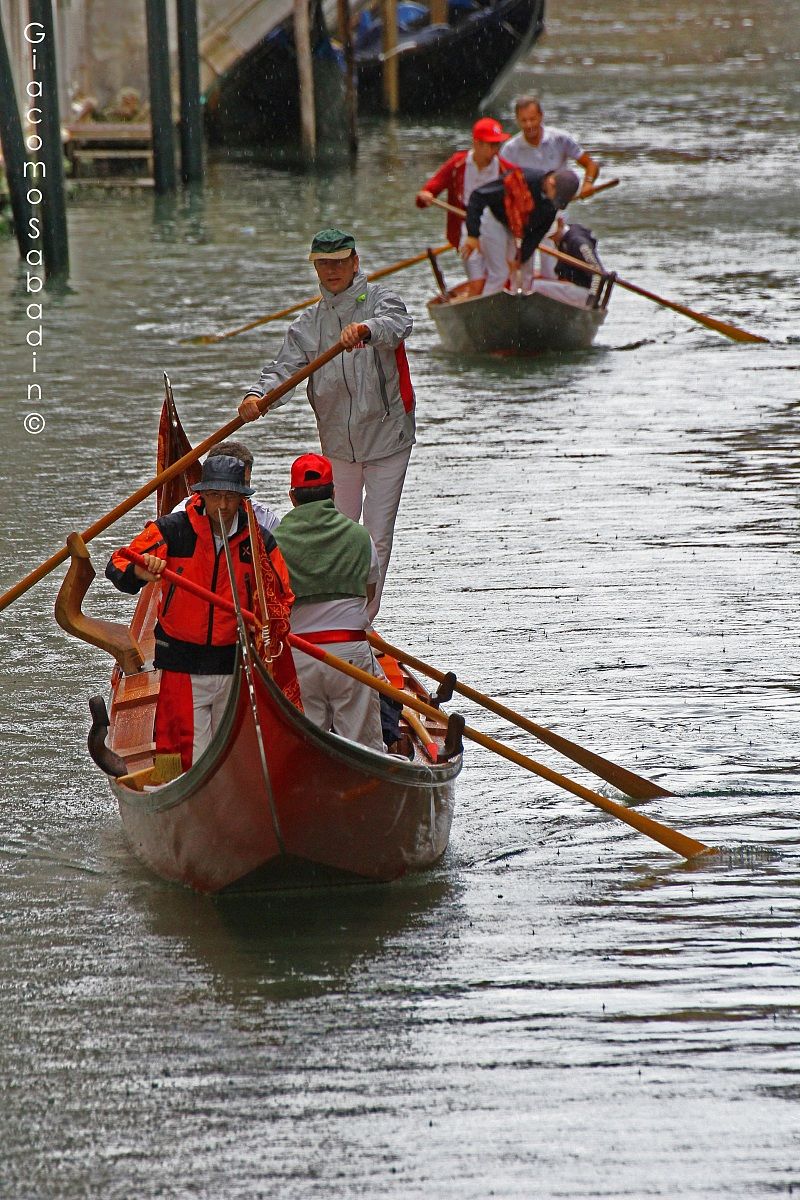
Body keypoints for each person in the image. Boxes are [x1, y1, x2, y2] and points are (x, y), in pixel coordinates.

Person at [238, 228, 415, 621]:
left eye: (339, 262)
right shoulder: (309, 324)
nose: (332, 271)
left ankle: (362, 622)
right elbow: (284, 370)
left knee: (375, 537)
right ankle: (333, 614)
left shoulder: (381, 300)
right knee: (341, 533)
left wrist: (366, 330)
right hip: (338, 444)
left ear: (355, 263)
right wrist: (257, 398)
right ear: (316, 268)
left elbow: (398, 325)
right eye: (323, 264)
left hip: (389, 440)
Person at [105, 453, 294, 772]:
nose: (223, 505)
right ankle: (168, 793)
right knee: (173, 749)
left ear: (241, 498)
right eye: (216, 496)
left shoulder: (258, 541)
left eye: (230, 497)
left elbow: (282, 595)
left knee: (233, 754)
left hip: (233, 664)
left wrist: (268, 622)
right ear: (201, 495)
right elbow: (119, 563)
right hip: (180, 662)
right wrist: (141, 573)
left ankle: (227, 802)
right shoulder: (172, 530)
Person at [273, 453, 384, 752]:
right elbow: (369, 594)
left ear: (292, 497)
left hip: (299, 656)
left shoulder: (273, 542)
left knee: (307, 747)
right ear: (333, 493)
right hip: (350, 653)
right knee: (364, 749)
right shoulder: (360, 536)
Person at [503, 95, 600, 278]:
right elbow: (499, 181)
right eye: (524, 120)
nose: (529, 125)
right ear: (517, 121)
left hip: (555, 214)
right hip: (525, 216)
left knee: (551, 268)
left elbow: (591, 165)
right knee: (522, 266)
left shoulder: (560, 139)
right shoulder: (510, 149)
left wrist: (588, 184)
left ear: (541, 116)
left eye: (533, 119)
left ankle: (551, 288)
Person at [415, 117, 513, 280]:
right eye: (490, 145)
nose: (494, 150)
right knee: (476, 274)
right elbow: (431, 188)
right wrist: (427, 195)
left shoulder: (506, 169)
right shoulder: (457, 164)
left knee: (501, 274)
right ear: (476, 143)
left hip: (496, 226)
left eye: (497, 145)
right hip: (466, 227)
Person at [464, 167, 580, 294]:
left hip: (519, 228)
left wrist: (521, 257)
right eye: (557, 197)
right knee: (500, 273)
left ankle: (518, 306)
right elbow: (477, 196)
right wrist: (473, 235)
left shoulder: (553, 204)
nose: (555, 202)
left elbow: (537, 233)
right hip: (495, 220)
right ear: (551, 182)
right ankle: (487, 310)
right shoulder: (521, 179)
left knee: (525, 274)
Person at [171, 439, 280, 535]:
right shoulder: (180, 517)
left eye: (245, 484)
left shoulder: (266, 520)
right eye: (217, 493)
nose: (241, 494)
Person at [532, 219, 606, 307]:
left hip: (586, 293)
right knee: (532, 281)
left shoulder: (578, 241)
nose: (552, 239)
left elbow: (598, 273)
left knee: (534, 286)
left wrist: (592, 298)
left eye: (552, 236)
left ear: (560, 223)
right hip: (575, 287)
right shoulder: (563, 240)